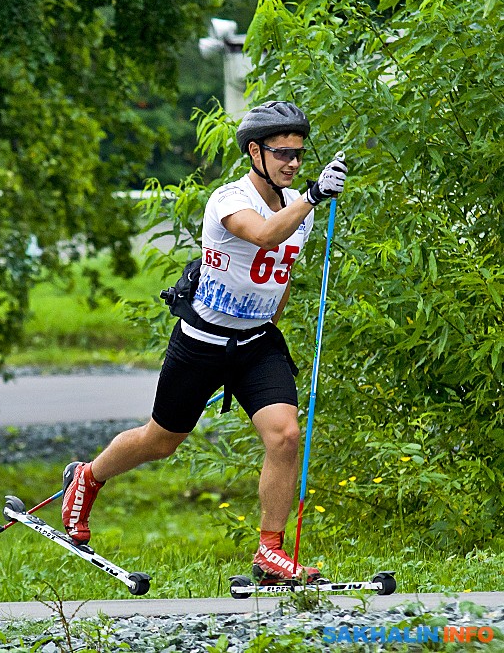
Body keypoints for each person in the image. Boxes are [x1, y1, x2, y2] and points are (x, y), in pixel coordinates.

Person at [60, 101, 347, 583]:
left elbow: (282, 272)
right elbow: (261, 237)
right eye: (282, 154)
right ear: (255, 152)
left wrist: (269, 321)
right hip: (202, 343)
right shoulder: (229, 199)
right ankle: (86, 478)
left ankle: (270, 552)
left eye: (299, 154)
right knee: (160, 441)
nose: (293, 163)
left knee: (285, 434)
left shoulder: (298, 206)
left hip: (256, 345)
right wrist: (314, 195)